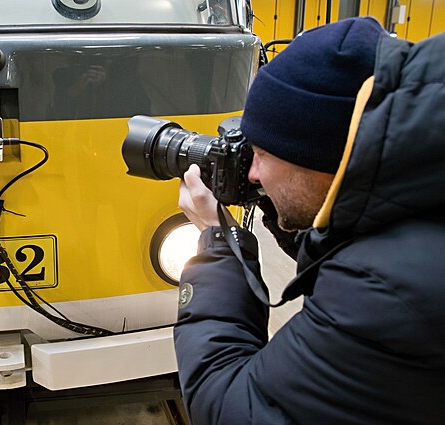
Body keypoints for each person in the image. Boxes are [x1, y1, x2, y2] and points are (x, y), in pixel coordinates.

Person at [175, 17, 445, 425]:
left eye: (262, 155)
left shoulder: (380, 293)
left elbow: (233, 407)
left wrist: (218, 245)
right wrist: (279, 209)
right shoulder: (418, 199)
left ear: (319, 160)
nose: (253, 175)